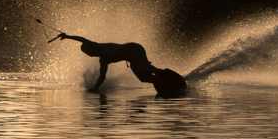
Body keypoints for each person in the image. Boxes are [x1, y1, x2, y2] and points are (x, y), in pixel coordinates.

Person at [51, 31, 186, 97]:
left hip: (133, 50)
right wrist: (95, 88)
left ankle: (167, 83)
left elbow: (81, 39)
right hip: (134, 51)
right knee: (145, 75)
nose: (90, 55)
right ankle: (167, 81)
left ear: (91, 50)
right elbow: (102, 77)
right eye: (88, 54)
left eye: (89, 53)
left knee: (145, 73)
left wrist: (68, 36)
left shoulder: (101, 51)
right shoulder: (102, 58)